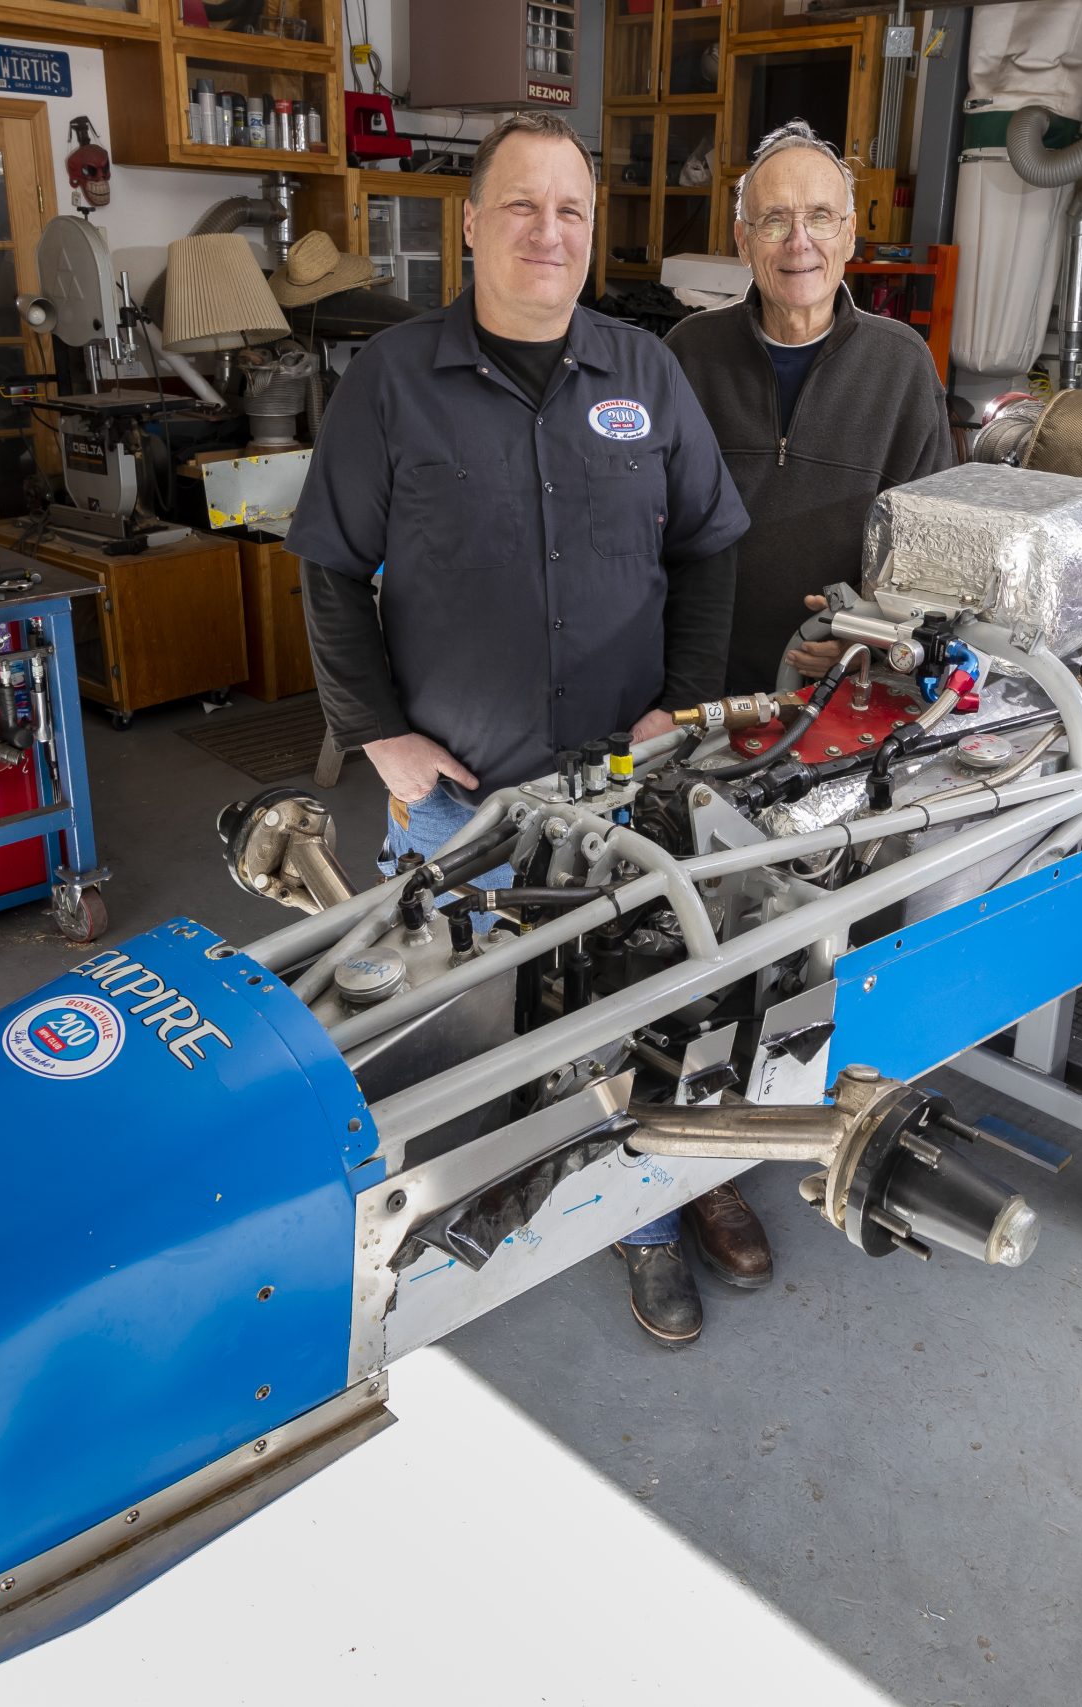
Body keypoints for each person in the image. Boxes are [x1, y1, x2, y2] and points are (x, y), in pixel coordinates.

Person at [286, 110, 754, 1349]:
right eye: (522, 206)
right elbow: (328, 569)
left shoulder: (644, 373)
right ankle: (439, 1229)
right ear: (472, 226)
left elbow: (710, 544)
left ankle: (646, 1223)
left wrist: (685, 702)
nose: (547, 232)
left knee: (639, 999)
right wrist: (375, 735)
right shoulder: (392, 379)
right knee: (451, 1019)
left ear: (590, 234)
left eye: (569, 211)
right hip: (458, 791)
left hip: (623, 778)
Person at [665, 121, 957, 693]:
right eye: (774, 220)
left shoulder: (901, 365)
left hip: (843, 688)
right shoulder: (688, 353)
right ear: (743, 240)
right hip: (700, 684)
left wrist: (870, 641)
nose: (799, 242)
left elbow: (934, 550)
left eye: (820, 218)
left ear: (849, 236)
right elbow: (650, 530)